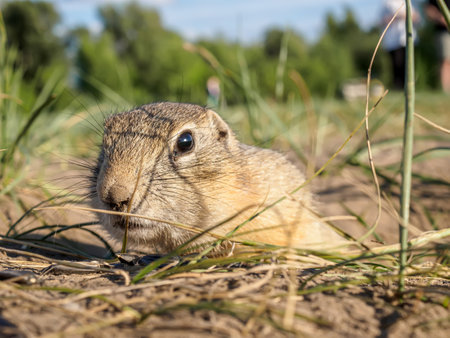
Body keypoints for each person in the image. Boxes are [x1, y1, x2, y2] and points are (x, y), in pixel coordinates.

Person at [380, 0, 420, 89]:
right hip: (393, 41)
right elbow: (381, 21)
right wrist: (397, 17)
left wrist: (407, 16)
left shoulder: (409, 2)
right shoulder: (387, 3)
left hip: (408, 39)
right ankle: (399, 87)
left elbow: (417, 17)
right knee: (397, 65)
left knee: (409, 65)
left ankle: (410, 87)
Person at [426, 0, 450, 93]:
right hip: (443, 31)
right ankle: (446, 91)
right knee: (446, 61)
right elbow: (429, 10)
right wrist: (441, 18)